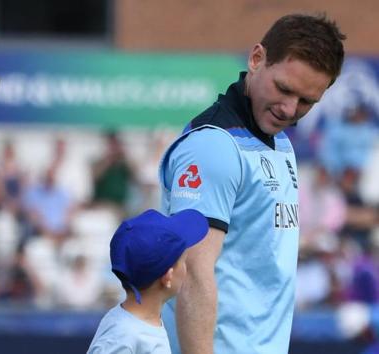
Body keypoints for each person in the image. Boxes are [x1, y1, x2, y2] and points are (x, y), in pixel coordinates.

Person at [158, 14, 345, 354]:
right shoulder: (212, 145)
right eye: (284, 89)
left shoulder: (280, 142)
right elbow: (193, 274)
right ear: (257, 59)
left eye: (306, 101)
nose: (290, 109)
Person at [87, 209, 208, 354]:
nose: (186, 267)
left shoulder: (143, 323)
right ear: (168, 277)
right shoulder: (122, 337)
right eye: (183, 261)